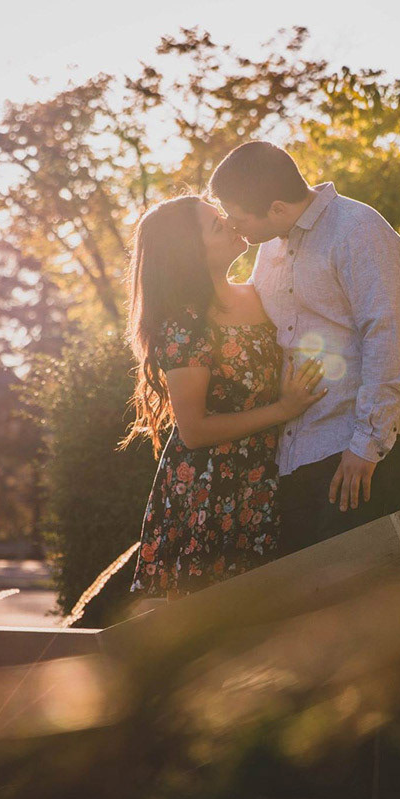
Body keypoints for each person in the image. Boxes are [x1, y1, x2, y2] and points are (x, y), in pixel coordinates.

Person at [210, 141, 400, 555]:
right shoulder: (270, 245)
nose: (235, 228)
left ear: (275, 207)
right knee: (307, 604)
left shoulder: (358, 230)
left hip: (361, 451)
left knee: (355, 600)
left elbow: (389, 335)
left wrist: (367, 445)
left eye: (239, 219)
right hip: (300, 453)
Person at [121, 195, 327, 598]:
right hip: (212, 492)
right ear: (190, 253)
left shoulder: (259, 291)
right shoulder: (185, 322)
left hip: (268, 476)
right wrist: (283, 409)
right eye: (218, 225)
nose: (233, 223)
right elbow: (193, 430)